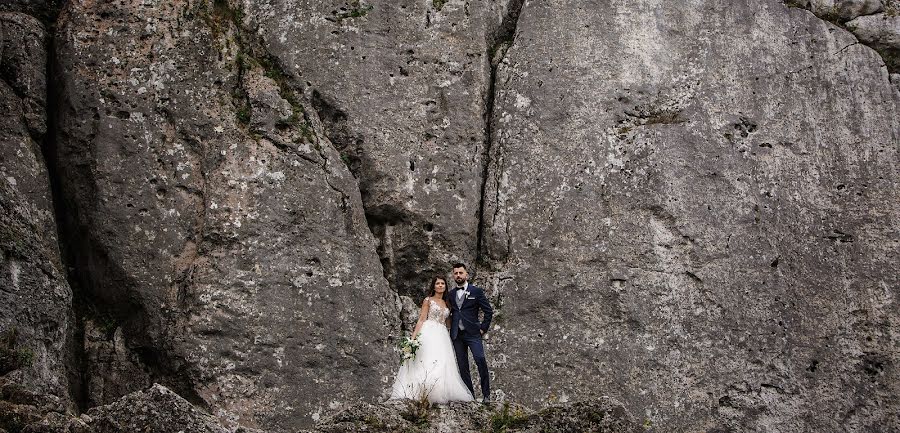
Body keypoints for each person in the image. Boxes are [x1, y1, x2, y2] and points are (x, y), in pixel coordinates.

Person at [389, 276, 474, 403]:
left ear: (445, 286)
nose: (440, 285)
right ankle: (422, 391)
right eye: (438, 283)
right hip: (429, 331)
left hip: (442, 334)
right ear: (433, 286)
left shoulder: (447, 303)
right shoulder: (428, 300)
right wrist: (413, 338)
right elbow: (422, 319)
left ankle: (439, 391)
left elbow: (449, 323)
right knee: (427, 359)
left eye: (442, 284)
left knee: (442, 361)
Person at [448, 263, 493, 404]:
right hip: (457, 335)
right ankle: (470, 396)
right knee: (463, 366)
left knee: (480, 360)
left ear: (466, 275)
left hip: (473, 334)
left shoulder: (476, 291)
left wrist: (482, 328)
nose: (458, 275)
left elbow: (488, 311)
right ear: (453, 275)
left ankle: (486, 395)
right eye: (455, 273)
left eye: (461, 273)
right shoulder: (451, 294)